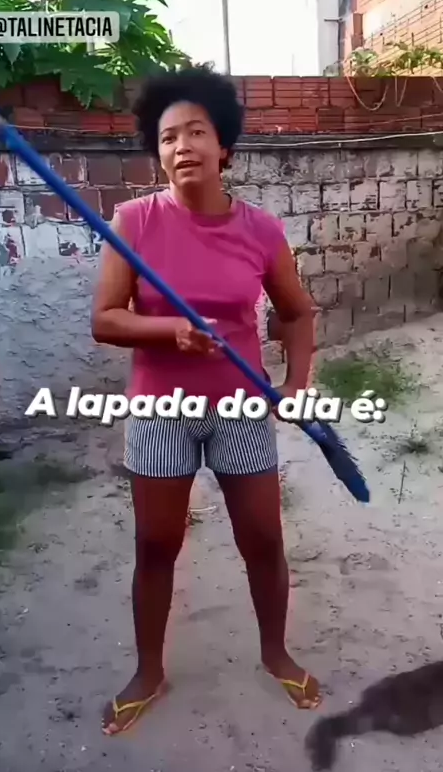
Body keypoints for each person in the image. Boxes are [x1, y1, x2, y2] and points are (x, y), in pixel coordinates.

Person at [91, 66, 320, 736]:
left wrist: (296, 385)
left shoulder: (261, 231)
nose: (182, 145)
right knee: (156, 543)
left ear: (225, 147)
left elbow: (296, 313)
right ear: (157, 152)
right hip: (160, 408)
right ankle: (148, 671)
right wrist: (169, 330)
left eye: (196, 132)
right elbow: (105, 318)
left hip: (239, 407)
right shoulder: (133, 221)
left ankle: (276, 654)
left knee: (263, 538)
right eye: (168, 137)